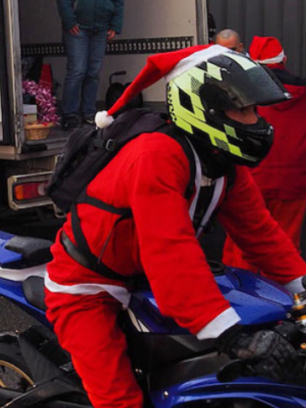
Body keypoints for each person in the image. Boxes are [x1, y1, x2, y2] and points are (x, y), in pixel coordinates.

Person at [46, 44, 306, 408]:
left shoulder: (222, 162)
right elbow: (170, 250)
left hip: (143, 275)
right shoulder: (156, 155)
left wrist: (302, 289)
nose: (258, 122)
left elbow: (261, 234)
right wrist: (230, 336)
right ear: (206, 111)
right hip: (88, 284)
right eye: (244, 110)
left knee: (197, 377)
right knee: (120, 401)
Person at [224, 36, 306, 268]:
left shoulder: (243, 92)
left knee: (242, 244)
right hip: (294, 183)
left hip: (251, 181)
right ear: (284, 59)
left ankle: (244, 296)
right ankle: (287, 299)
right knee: (287, 244)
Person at [55, 0, 125, 129]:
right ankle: (69, 114)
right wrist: (69, 20)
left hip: (100, 27)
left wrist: (115, 25)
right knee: (77, 70)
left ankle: (88, 113)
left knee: (93, 72)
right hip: (78, 26)